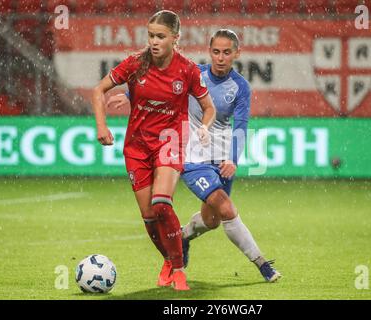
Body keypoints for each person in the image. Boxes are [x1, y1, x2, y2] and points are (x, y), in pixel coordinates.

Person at [109, 29, 281, 283]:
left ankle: (184, 236)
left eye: (226, 52)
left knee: (212, 220)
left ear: (236, 54)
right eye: (215, 52)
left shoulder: (241, 87)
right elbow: (158, 86)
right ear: (209, 51)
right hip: (190, 155)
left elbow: (240, 126)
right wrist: (126, 95)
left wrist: (233, 158)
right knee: (227, 207)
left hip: (221, 158)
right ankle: (263, 264)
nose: (220, 58)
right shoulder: (192, 73)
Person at [92, 10, 216, 291]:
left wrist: (205, 127)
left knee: (162, 203)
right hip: (136, 145)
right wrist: (102, 126)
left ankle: (180, 269)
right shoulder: (136, 64)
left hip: (171, 140)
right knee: (149, 215)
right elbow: (98, 90)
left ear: (175, 38)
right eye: (150, 36)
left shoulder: (188, 70)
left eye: (161, 36)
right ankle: (170, 260)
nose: (154, 41)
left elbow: (209, 107)